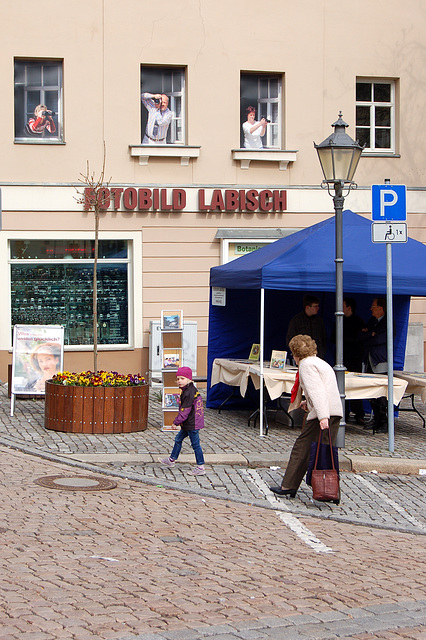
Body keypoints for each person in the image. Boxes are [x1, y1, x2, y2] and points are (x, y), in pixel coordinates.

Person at [269, 334, 342, 498]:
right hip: (332, 412)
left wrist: (322, 416)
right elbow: (324, 390)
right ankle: (295, 486)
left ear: (295, 353)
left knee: (303, 449)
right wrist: (308, 404)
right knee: (319, 450)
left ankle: (295, 487)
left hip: (323, 414)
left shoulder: (306, 365)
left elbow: (318, 392)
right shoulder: (319, 362)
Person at [158, 366, 206, 475]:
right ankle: (171, 460)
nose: (179, 381)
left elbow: (185, 411)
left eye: (182, 378)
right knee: (178, 439)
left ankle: (200, 467)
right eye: (178, 378)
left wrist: (176, 422)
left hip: (192, 423)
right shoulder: (188, 390)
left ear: (189, 379)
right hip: (188, 423)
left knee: (195, 445)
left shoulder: (189, 393)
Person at [331, 297, 366, 425]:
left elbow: (360, 338)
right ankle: (342, 412)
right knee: (340, 386)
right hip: (341, 358)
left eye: (343, 305)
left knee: (355, 385)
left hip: (355, 358)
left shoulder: (358, 321)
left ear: (349, 307)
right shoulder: (339, 321)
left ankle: (359, 413)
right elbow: (333, 338)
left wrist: (347, 339)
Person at [361, 297, 388, 433]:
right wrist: (369, 335)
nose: (371, 309)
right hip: (370, 360)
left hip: (380, 361)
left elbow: (379, 339)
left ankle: (383, 421)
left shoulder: (388, 322)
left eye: (373, 306)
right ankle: (376, 418)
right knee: (372, 392)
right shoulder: (372, 321)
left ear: (381, 308)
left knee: (381, 393)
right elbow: (363, 337)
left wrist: (370, 336)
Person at [286, 294, 327, 359]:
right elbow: (290, 339)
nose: (318, 308)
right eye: (315, 306)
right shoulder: (296, 320)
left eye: (318, 306)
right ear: (308, 307)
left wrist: (322, 352)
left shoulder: (319, 321)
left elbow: (324, 338)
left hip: (318, 356)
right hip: (302, 356)